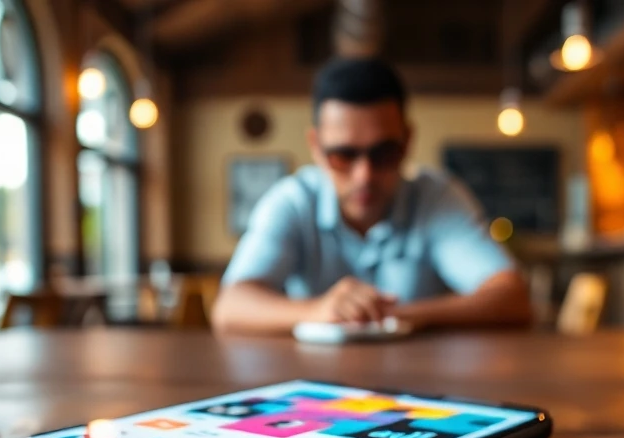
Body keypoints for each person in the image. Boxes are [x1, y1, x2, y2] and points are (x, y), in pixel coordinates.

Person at [211, 57, 533, 335]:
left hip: (419, 388)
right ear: (316, 147)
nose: (363, 175)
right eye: (343, 155)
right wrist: (320, 310)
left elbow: (513, 299)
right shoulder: (292, 201)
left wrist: (393, 316)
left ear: (407, 142)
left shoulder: (436, 198)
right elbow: (229, 308)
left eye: (383, 153)